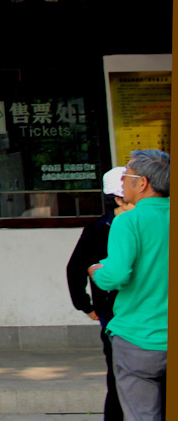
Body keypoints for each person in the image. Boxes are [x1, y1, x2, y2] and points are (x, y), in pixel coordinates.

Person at [88, 149, 169, 420]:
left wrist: (97, 271)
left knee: (142, 414)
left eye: (126, 175)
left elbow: (117, 275)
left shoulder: (128, 222)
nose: (121, 182)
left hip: (138, 338)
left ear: (142, 183)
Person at [65, 166, 129, 421]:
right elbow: (76, 268)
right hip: (114, 317)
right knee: (118, 379)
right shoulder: (101, 228)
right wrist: (85, 305)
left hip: (144, 316)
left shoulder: (143, 223)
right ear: (118, 197)